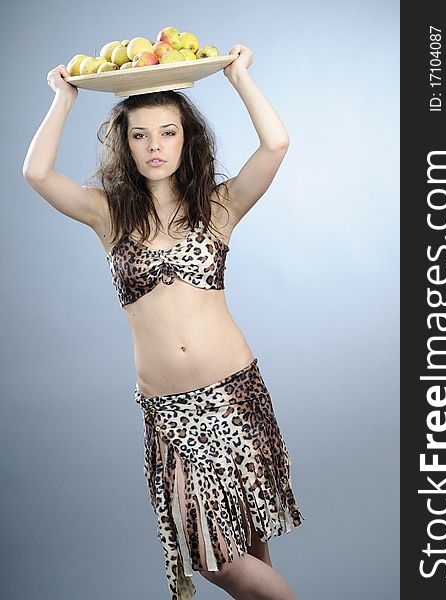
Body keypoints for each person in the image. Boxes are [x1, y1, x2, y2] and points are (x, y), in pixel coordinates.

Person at [23, 43, 305, 600]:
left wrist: (239, 76)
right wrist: (63, 98)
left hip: (235, 395)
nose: (155, 146)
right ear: (125, 146)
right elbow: (36, 172)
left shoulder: (218, 209)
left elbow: (276, 143)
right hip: (171, 412)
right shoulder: (108, 215)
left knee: (248, 548)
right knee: (216, 559)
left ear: (187, 137)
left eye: (168, 132)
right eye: (139, 135)